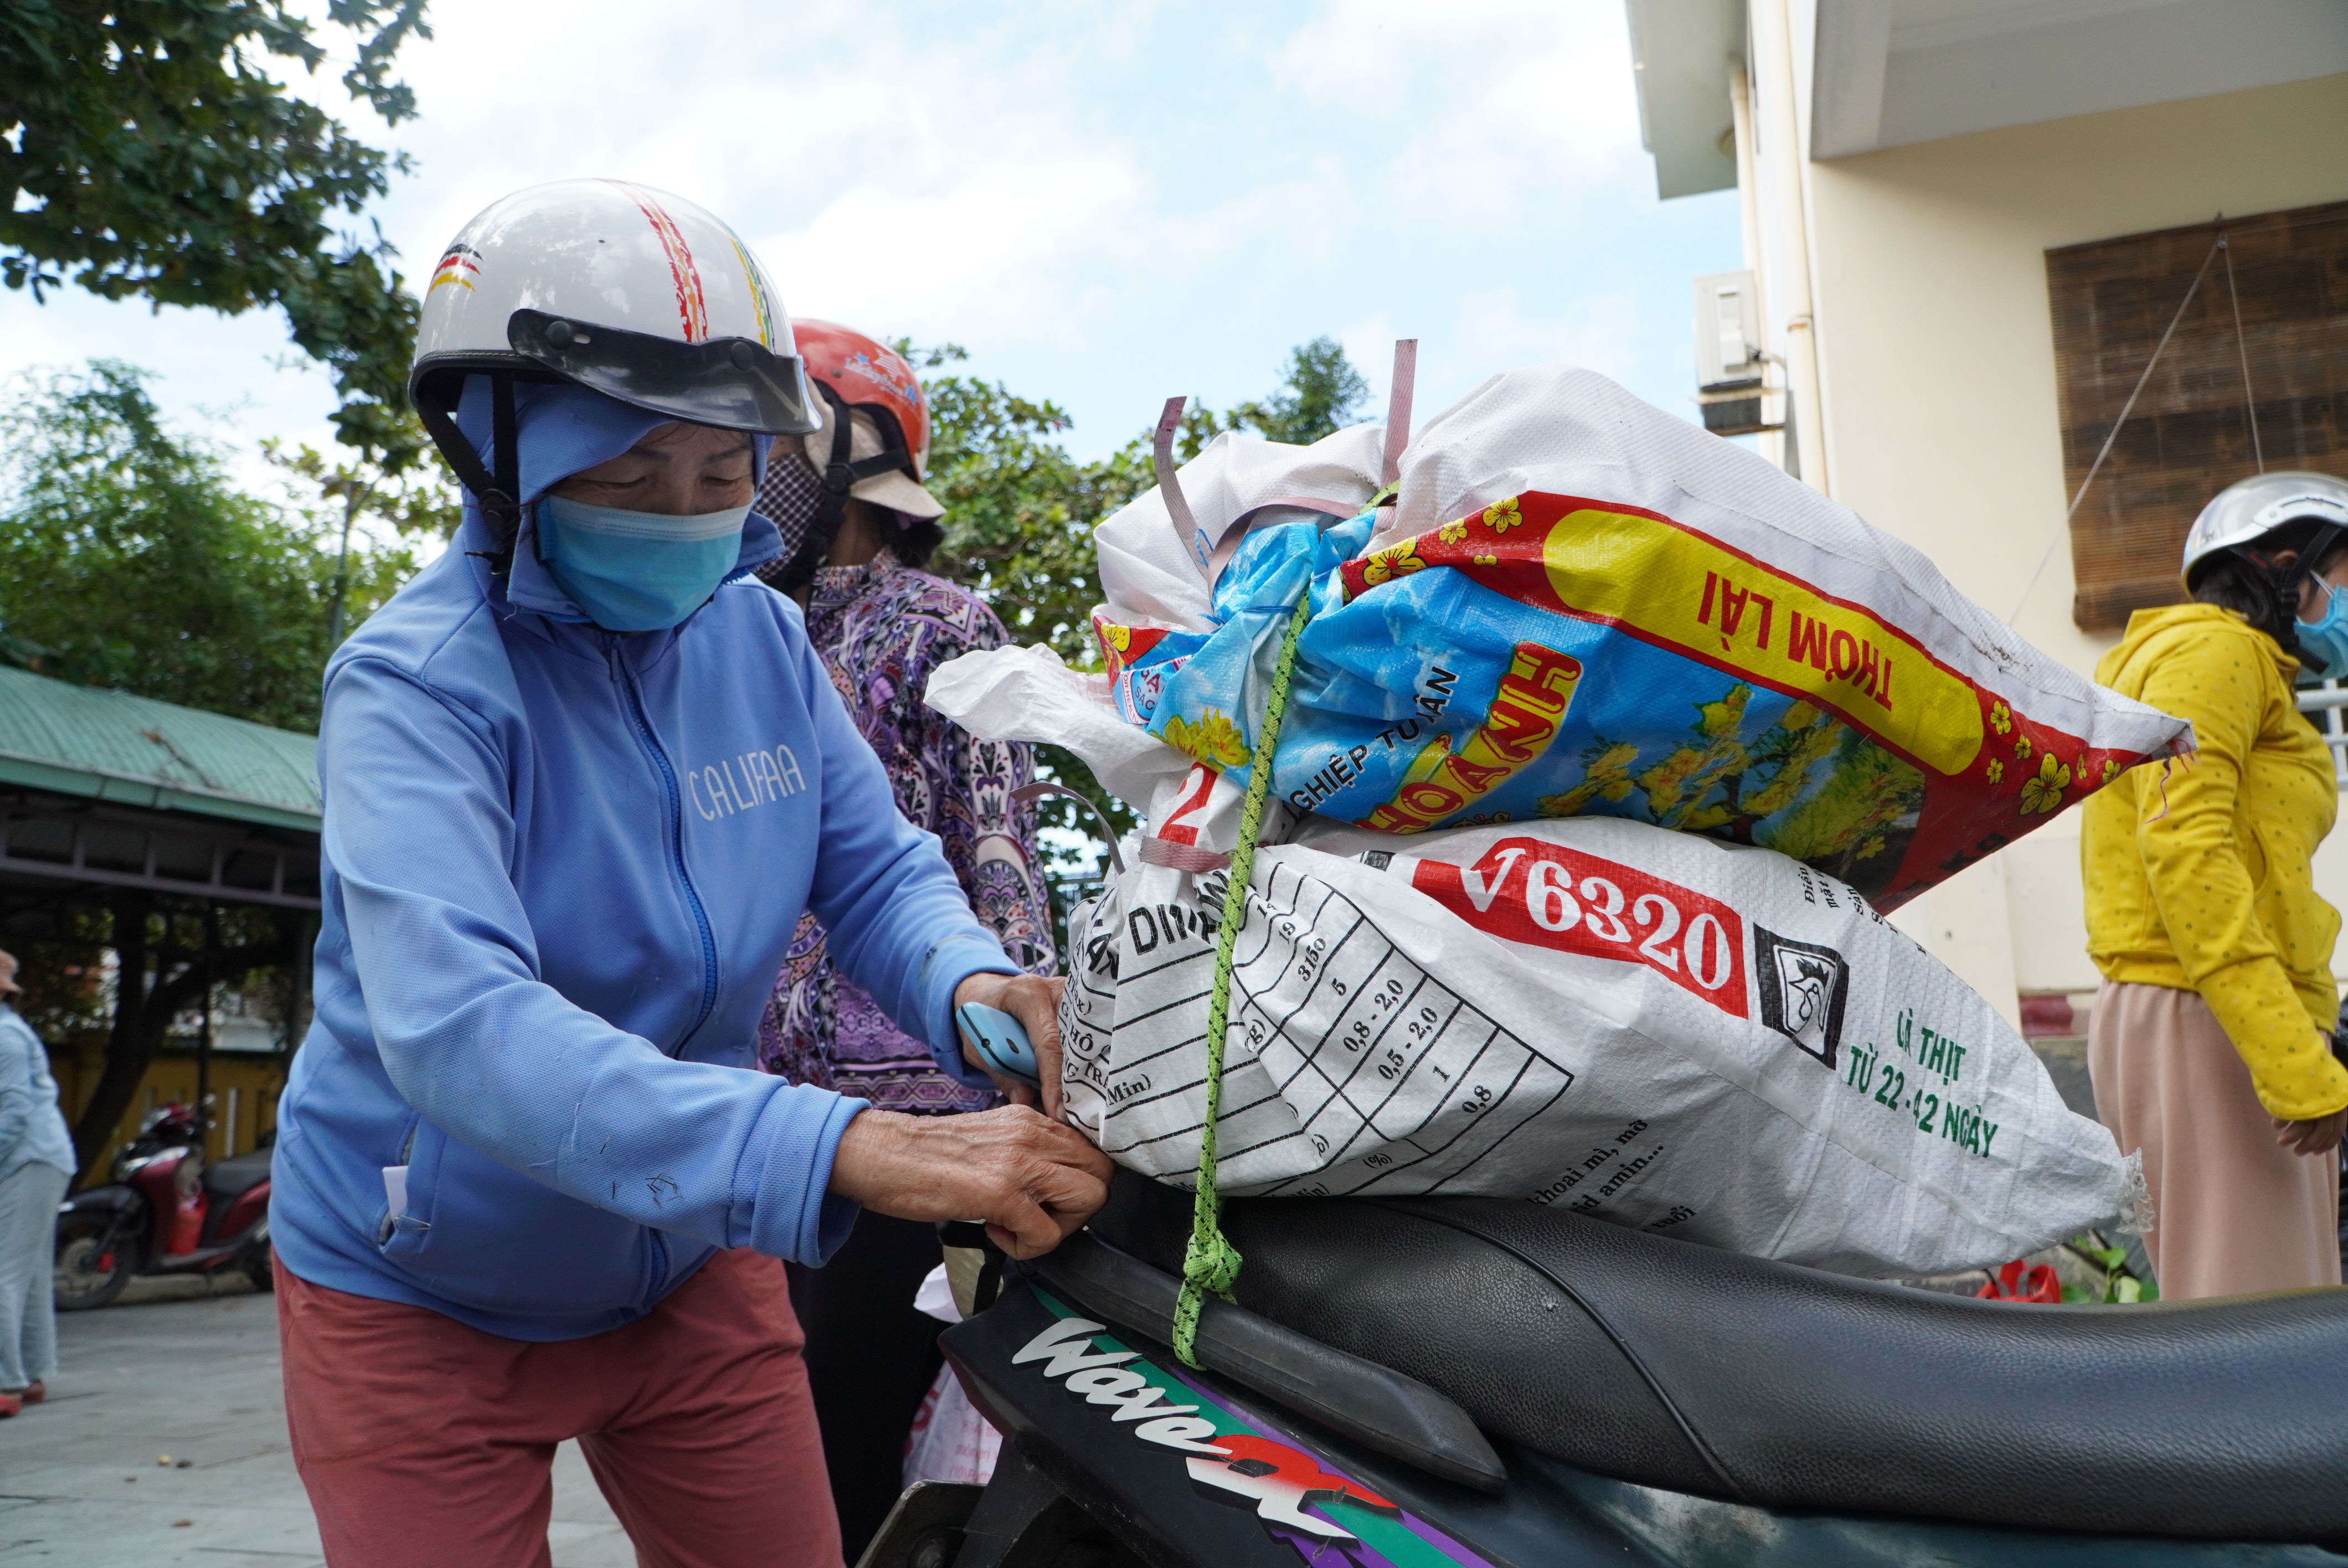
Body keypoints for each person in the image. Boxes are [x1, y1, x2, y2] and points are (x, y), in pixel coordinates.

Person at [266, 180, 1110, 1567]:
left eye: (722, 477)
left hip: (685, 1253)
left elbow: (882, 869)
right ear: (501, 456)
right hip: (416, 1284)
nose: (684, 515)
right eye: (625, 475)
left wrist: (977, 982)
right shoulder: (413, 688)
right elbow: (458, 1026)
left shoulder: (760, 646)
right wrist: (844, 1142)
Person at [750, 323, 1054, 1555]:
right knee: (767, 1449)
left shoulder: (945, 623)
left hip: (917, 1122)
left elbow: (998, 844)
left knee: (849, 1440)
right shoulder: (727, 634)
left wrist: (1031, 1054)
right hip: (752, 1117)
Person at [2084, 471, 2348, 1299]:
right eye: (2344, 578)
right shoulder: (2215, 651)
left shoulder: (2250, 668)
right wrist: (2292, 1065)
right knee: (2254, 1343)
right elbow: (2186, 845)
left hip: (2222, 1015)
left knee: (2280, 1328)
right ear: (2283, 566)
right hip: (2205, 1017)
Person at [0, 948, 74, 1419]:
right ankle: (30, 1376)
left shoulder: (4, 1036)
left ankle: (6, 1382)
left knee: (4, 1271)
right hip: (37, 1159)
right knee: (25, 1274)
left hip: (29, 1159)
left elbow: (13, 1111)